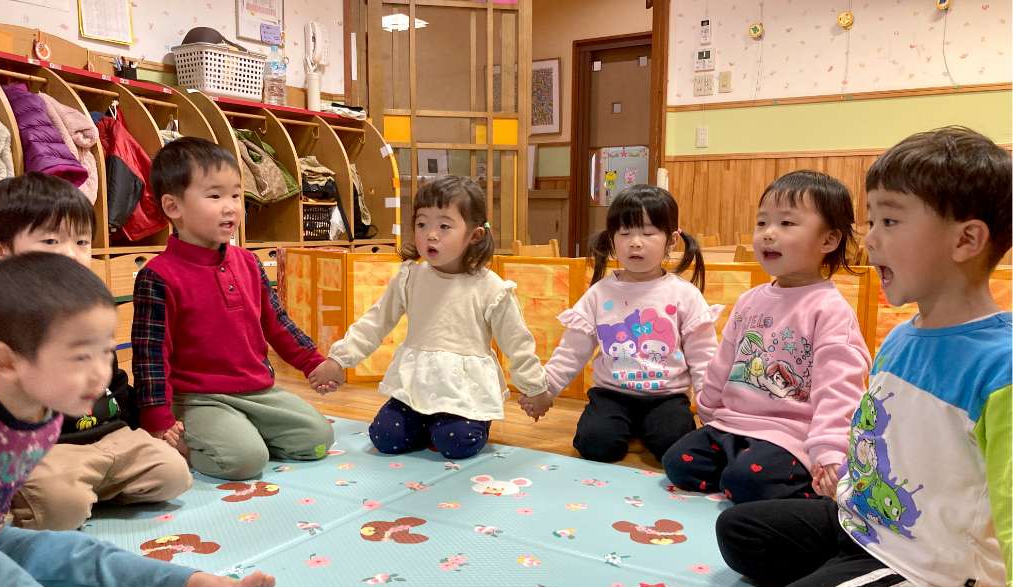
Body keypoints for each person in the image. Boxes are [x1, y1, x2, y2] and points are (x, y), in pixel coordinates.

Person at [717, 127, 1011, 587]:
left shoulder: (999, 366)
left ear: (966, 239)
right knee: (739, 530)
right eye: (872, 220)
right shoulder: (899, 339)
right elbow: (875, 434)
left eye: (889, 221)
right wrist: (844, 478)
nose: (870, 237)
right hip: (865, 522)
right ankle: (851, 582)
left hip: (929, 564)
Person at [0, 253, 275, 587]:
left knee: (77, 550)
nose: (100, 374)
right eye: (80, 358)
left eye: (106, 353)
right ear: (5, 362)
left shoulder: (45, 409)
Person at [0, 172, 191, 530]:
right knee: (60, 506)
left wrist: (149, 425)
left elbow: (114, 382)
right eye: (51, 240)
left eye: (81, 241)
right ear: (1, 252)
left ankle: (90, 489)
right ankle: (65, 496)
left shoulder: (88, 311)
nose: (71, 254)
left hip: (110, 436)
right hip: (49, 451)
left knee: (174, 473)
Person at [132, 138, 333, 481]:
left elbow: (278, 323)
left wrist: (313, 362)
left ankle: (242, 432)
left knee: (318, 438)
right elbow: (150, 356)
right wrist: (159, 421)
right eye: (215, 196)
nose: (231, 207)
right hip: (200, 399)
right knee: (244, 462)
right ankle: (222, 440)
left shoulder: (249, 263)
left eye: (236, 196)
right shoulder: (158, 276)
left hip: (259, 391)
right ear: (173, 207)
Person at [663, 171, 871, 503]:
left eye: (786, 223)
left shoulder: (830, 310)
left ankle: (770, 480)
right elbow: (724, 361)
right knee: (677, 463)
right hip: (733, 425)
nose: (768, 234)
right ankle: (738, 475)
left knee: (746, 481)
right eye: (762, 223)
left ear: (829, 241)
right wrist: (707, 406)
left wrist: (829, 450)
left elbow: (839, 389)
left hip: (790, 436)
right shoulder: (749, 300)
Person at [310, 175, 549, 459]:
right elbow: (375, 323)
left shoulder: (491, 288)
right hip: (415, 386)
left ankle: (453, 425)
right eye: (422, 224)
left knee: (456, 443)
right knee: (385, 437)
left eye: (444, 226)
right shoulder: (410, 277)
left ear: (474, 235)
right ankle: (427, 425)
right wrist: (339, 360)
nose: (430, 235)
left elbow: (517, 343)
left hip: (463, 392)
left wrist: (535, 388)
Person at [521, 184, 717, 463]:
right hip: (611, 394)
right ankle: (624, 429)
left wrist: (711, 410)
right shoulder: (599, 293)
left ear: (672, 240)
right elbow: (571, 351)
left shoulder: (684, 294)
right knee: (594, 444)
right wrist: (545, 390)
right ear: (612, 240)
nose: (635, 242)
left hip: (667, 396)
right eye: (624, 233)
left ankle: (648, 429)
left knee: (674, 446)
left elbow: (703, 358)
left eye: (648, 233)